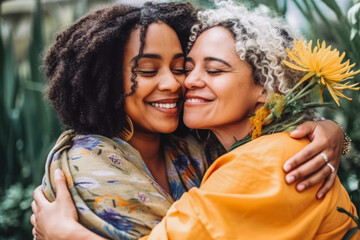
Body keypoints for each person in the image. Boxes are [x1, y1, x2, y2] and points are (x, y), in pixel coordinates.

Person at [31, 1, 349, 240]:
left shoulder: (253, 161)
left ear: (265, 88)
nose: (180, 82)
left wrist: (66, 234)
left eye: (212, 70)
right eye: (147, 70)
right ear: (104, 81)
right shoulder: (87, 167)